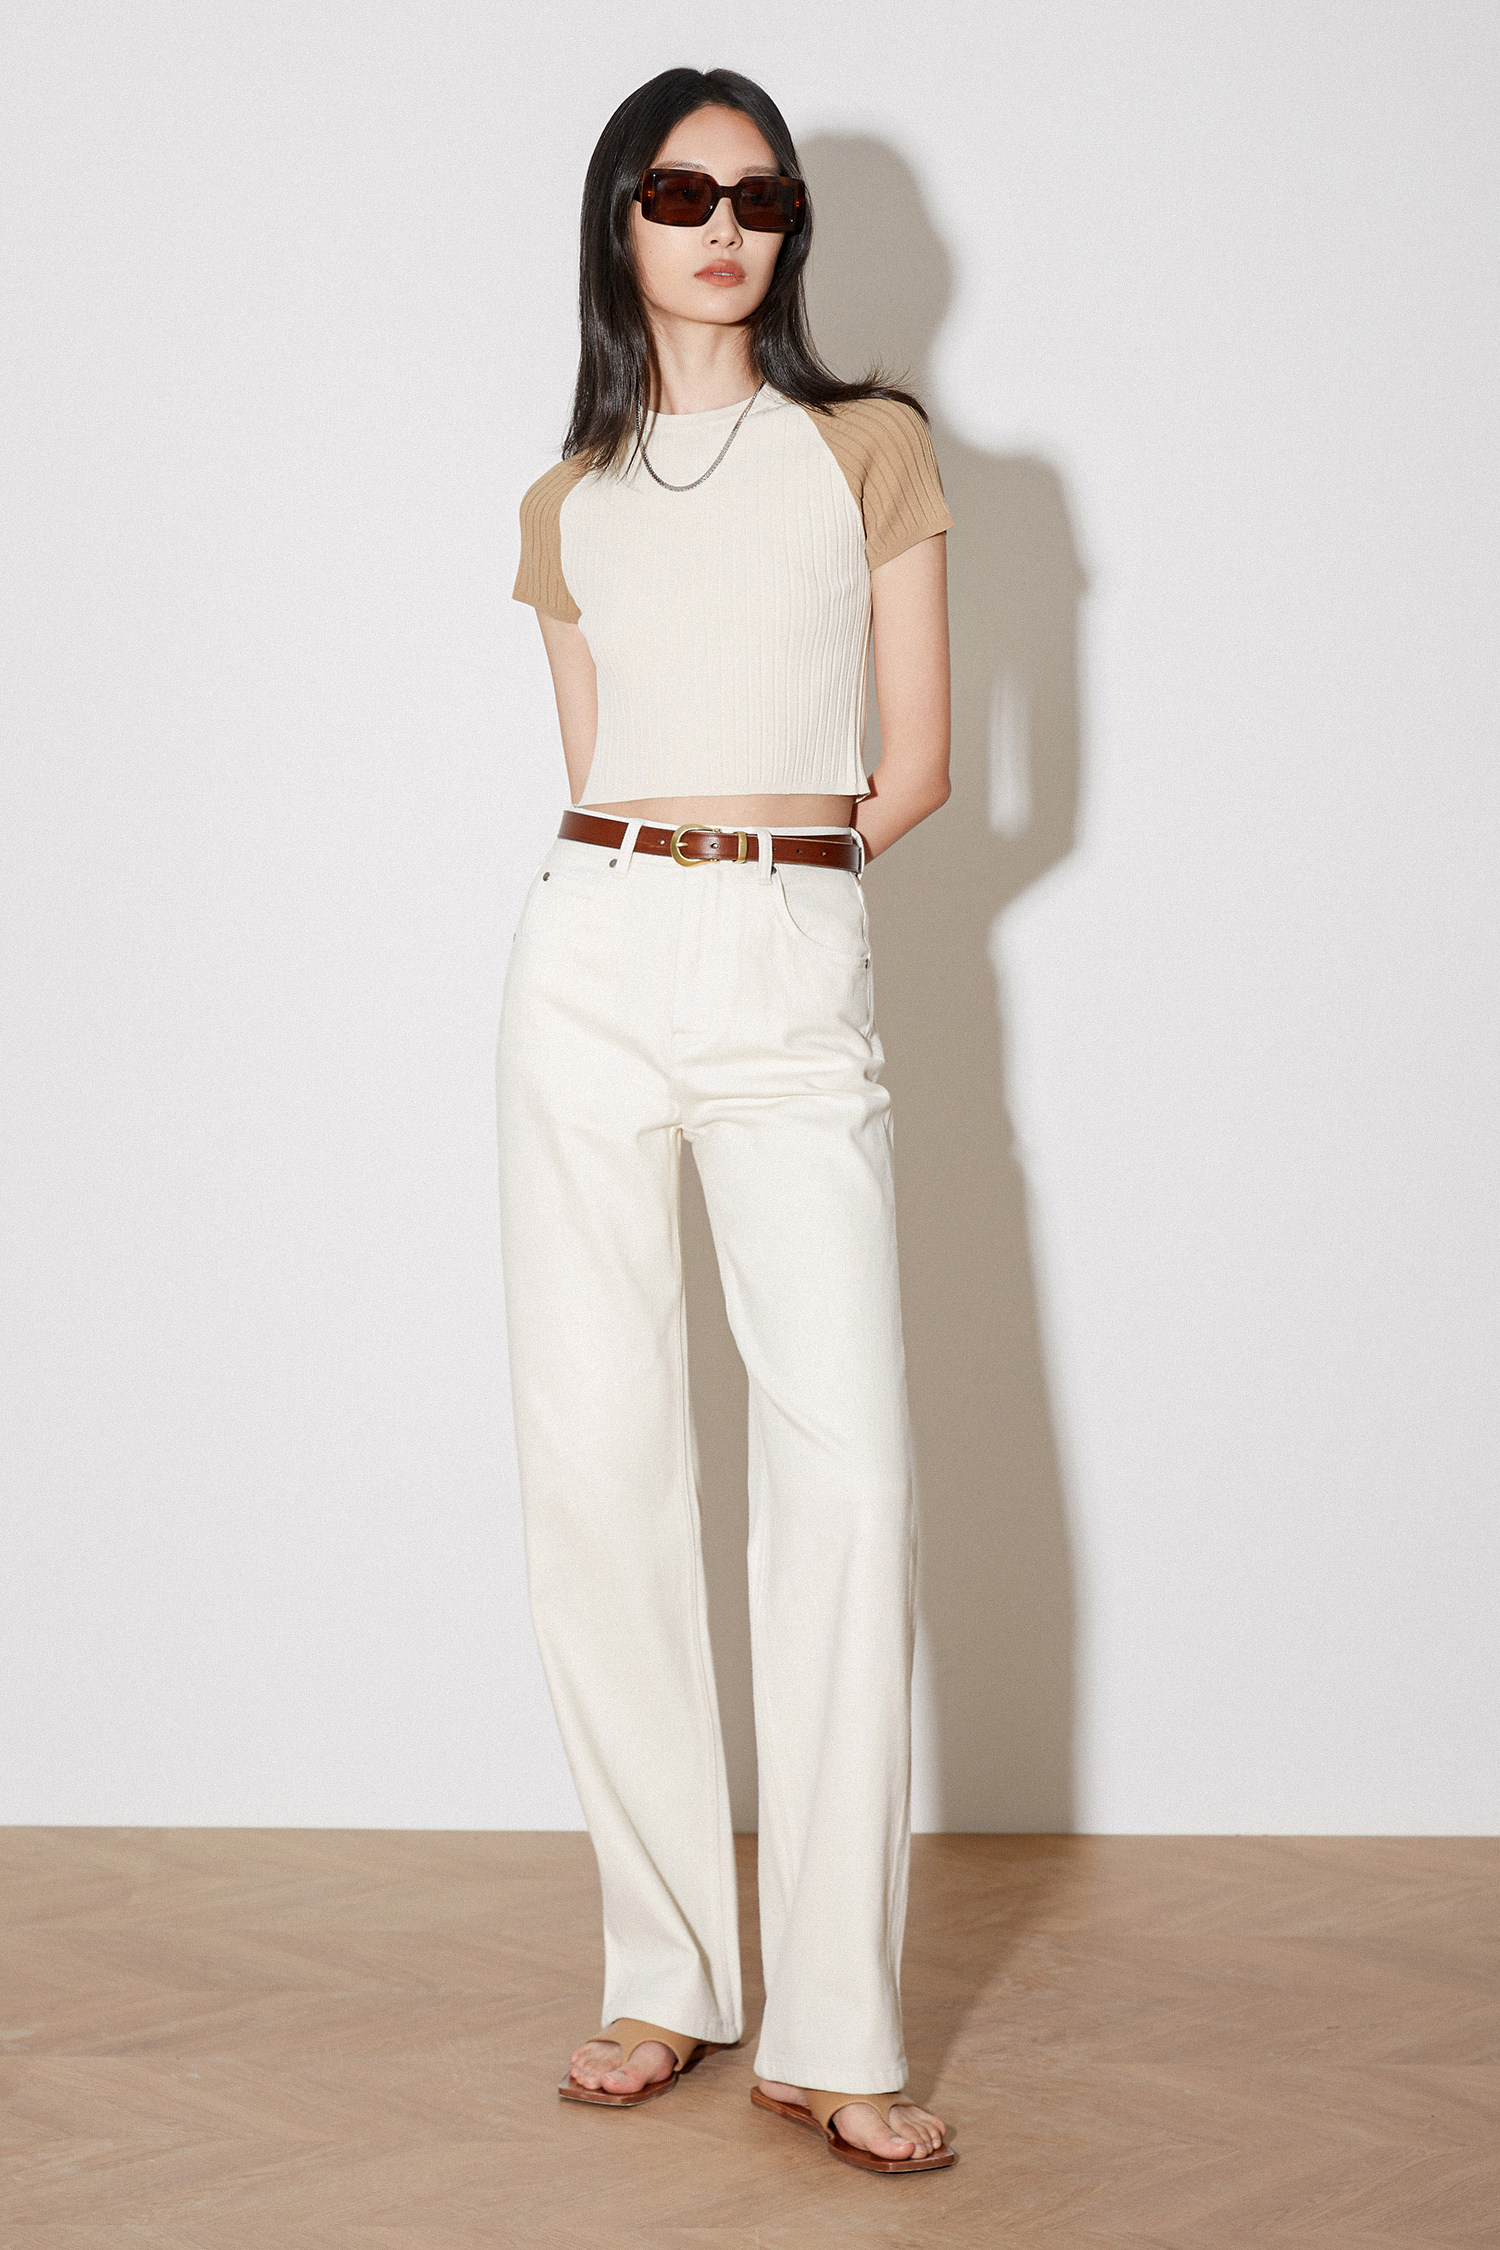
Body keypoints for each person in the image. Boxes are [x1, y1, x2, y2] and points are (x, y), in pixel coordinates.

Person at [499, 64, 957, 2176]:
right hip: (588, 955)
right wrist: (662, 893)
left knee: (845, 1475)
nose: (722, 229)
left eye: (759, 200)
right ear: (623, 218)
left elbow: (918, 764)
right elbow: (597, 763)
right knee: (598, 1465)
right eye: (683, 193)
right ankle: (664, 1967)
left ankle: (836, 2023)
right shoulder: (566, 498)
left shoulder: (866, 448)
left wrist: (782, 895)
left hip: (788, 952)